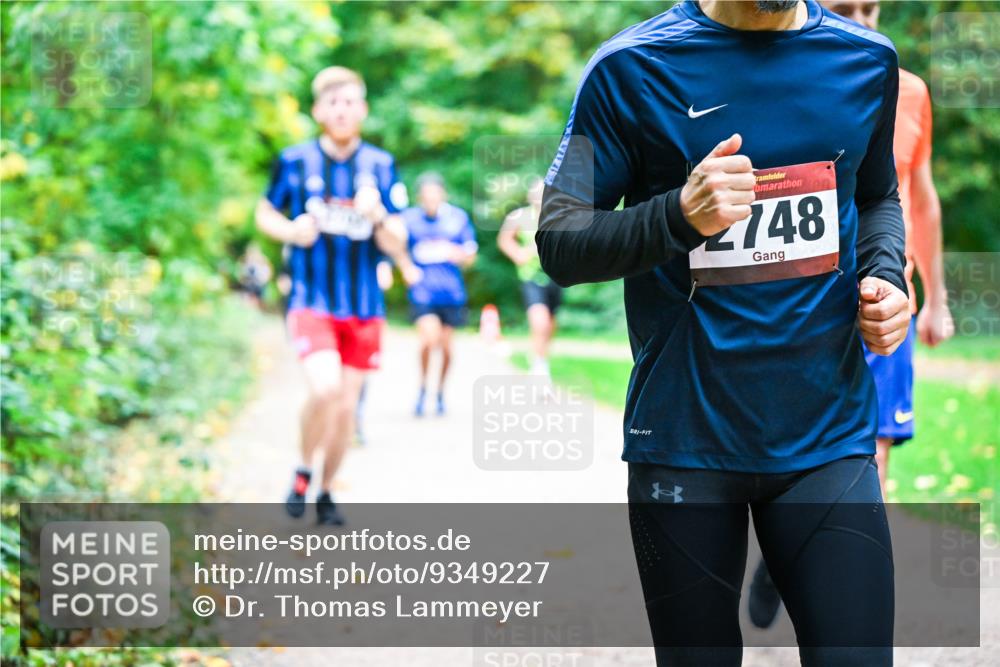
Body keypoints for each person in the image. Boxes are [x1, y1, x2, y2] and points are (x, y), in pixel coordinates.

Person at [537, 1, 910, 665]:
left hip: (828, 435)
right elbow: (560, 239)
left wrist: (886, 278)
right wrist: (678, 216)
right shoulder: (629, 69)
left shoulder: (867, 60)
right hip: (684, 443)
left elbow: (877, 194)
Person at [746, 0, 957, 632]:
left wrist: (937, 298)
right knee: (793, 459)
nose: (863, 18)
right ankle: (782, 556)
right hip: (804, 306)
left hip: (885, 302)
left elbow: (916, 195)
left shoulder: (906, 87)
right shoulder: (786, 71)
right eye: (846, 7)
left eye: (870, 7)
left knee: (876, 457)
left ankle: (840, 601)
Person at [256, 66, 416, 525]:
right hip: (312, 298)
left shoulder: (381, 166)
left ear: (363, 110)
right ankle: (304, 469)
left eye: (351, 102)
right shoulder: (294, 160)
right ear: (318, 110)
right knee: (324, 389)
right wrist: (290, 229)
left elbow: (399, 240)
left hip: (364, 304)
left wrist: (380, 216)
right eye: (333, 102)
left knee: (346, 407)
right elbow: (264, 211)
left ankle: (326, 492)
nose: (342, 110)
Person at [402, 172, 478, 416]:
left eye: (435, 196)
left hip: (451, 293)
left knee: (446, 348)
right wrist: (404, 267)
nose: (430, 201)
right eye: (426, 197)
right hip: (423, 292)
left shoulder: (458, 218)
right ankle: (423, 387)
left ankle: (440, 391)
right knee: (428, 340)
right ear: (419, 198)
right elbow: (396, 248)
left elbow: (470, 256)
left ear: (443, 195)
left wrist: (455, 253)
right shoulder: (409, 219)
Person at [497, 177, 561, 377]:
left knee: (550, 325)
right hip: (531, 277)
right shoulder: (519, 217)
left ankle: (539, 357)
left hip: (555, 277)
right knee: (539, 322)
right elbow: (504, 240)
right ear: (529, 196)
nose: (539, 198)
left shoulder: (557, 217)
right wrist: (519, 255)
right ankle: (540, 370)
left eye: (543, 194)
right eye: (535, 193)